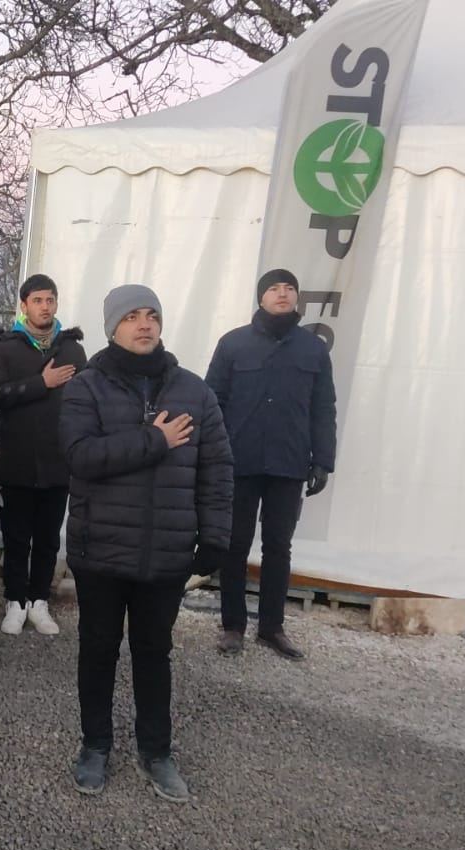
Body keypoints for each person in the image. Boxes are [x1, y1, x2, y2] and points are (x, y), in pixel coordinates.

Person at [60, 284, 232, 803]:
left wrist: (216, 535)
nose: (144, 324)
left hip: (166, 553)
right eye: (132, 316)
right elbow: (79, 456)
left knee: (154, 653)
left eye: (151, 315)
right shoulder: (86, 388)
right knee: (98, 649)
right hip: (101, 549)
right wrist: (154, 440)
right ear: (112, 327)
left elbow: (218, 468)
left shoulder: (195, 392)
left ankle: (157, 752)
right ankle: (95, 746)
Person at [205, 269, 337, 661]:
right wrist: (212, 455)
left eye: (289, 288)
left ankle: (272, 627)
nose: (282, 294)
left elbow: (322, 408)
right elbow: (212, 402)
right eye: (273, 289)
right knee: (234, 545)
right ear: (260, 298)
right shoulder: (233, 345)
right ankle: (232, 625)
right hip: (239, 461)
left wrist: (323, 460)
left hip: (289, 462)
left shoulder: (313, 350)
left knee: (278, 546)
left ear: (297, 298)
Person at [0, 274, 87, 636]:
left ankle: (40, 601)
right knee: (16, 536)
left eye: (51, 300)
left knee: (47, 537)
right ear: (24, 305)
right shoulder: (8, 347)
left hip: (58, 461)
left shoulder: (72, 349)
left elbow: (86, 403)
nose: (45, 306)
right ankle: (15, 601)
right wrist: (40, 383)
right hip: (18, 460)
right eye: (38, 300)